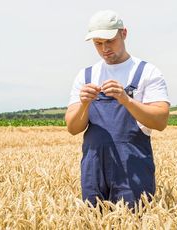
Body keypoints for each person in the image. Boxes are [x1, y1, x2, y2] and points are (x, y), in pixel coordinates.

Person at [65, 10, 170, 208]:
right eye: (98, 43)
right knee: (93, 220)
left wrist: (126, 100)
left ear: (124, 33)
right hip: (94, 169)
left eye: (109, 41)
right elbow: (72, 128)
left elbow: (161, 120)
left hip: (133, 168)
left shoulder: (147, 72)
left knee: (136, 219)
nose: (104, 48)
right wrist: (84, 104)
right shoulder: (85, 75)